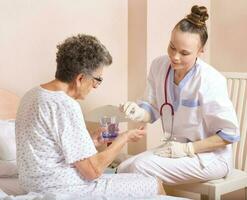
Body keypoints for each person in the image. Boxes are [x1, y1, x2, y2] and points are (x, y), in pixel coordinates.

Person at [15, 34, 165, 198]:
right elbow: (92, 171)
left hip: (34, 185)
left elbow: (49, 148)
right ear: (80, 78)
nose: (95, 86)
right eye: (97, 79)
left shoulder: (32, 95)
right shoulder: (66, 105)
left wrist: (91, 140)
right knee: (153, 182)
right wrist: (123, 138)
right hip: (66, 187)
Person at [118, 5, 240, 186]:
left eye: (184, 53)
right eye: (172, 47)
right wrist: (137, 112)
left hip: (210, 158)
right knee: (123, 167)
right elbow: (151, 108)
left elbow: (229, 135)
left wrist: (187, 148)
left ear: (200, 51)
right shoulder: (159, 66)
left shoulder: (210, 80)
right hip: (172, 149)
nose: (174, 57)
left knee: (138, 168)